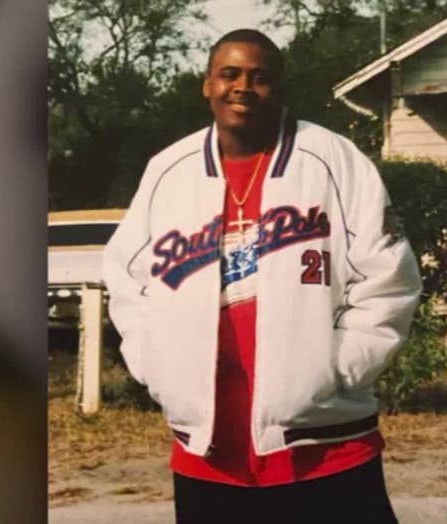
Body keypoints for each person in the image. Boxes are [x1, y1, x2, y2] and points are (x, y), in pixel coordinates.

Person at [104, 29, 421, 524]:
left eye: (260, 77)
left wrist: (337, 370)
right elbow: (128, 282)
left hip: (325, 445)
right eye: (229, 74)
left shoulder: (332, 160)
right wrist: (157, 367)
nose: (242, 87)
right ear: (206, 85)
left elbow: (389, 276)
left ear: (280, 87)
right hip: (208, 453)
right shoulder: (170, 171)